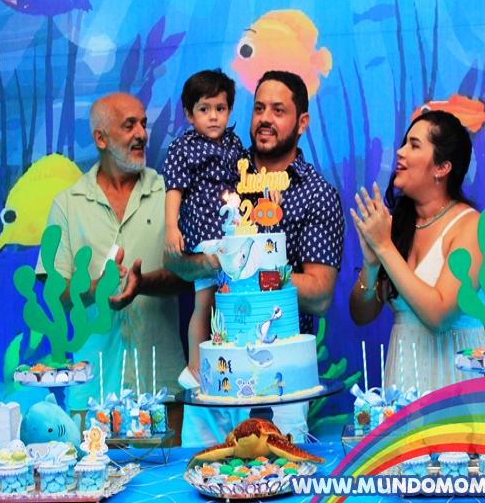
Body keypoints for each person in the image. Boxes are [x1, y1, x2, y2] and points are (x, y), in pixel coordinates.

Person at [166, 70, 344, 445]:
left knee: (279, 472)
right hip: (214, 375)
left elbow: (320, 294)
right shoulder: (221, 168)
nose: (265, 118)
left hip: (278, 382)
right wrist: (200, 263)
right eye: (259, 108)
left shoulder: (316, 194)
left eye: (278, 110)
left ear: (302, 122)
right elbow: (176, 263)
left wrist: (246, 267)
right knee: (202, 470)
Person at [36, 92, 189, 439]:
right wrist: (98, 289)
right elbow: (55, 293)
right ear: (100, 138)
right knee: (93, 472)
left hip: (161, 387)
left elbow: (190, 277)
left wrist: (144, 283)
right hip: (92, 390)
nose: (142, 134)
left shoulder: (169, 195)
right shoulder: (67, 204)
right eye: (129, 125)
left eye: (144, 124)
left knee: (166, 471)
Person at [349, 110, 484, 394]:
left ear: (442, 168)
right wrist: (371, 266)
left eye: (414, 145)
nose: (400, 152)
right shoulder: (397, 226)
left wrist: (384, 247)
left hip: (453, 383)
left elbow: (439, 316)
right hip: (403, 376)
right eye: (404, 143)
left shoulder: (471, 225)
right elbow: (361, 315)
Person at [162, 69, 246, 388]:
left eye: (220, 108)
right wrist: (171, 227)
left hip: (232, 233)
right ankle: (195, 368)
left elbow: (247, 180)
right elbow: (174, 189)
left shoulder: (234, 144)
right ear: (189, 114)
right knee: (205, 299)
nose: (213, 116)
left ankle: (229, 361)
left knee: (229, 298)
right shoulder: (184, 147)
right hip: (204, 235)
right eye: (204, 109)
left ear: (229, 110)